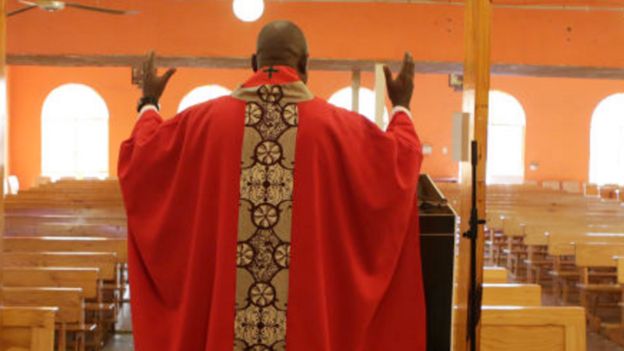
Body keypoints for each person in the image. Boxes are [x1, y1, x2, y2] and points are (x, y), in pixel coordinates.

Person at [119, 20, 425, 351]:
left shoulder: (204, 124)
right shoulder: (338, 129)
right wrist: (401, 106)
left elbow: (143, 158)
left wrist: (148, 100)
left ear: (254, 62)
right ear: (305, 64)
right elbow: (400, 159)